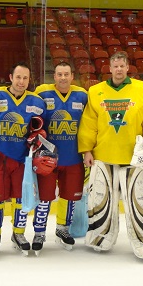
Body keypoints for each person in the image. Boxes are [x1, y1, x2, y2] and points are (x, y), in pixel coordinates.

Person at [78, 51, 143, 260]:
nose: (118, 69)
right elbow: (89, 124)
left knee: (141, 201)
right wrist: (87, 149)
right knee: (100, 200)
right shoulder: (96, 91)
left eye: (122, 66)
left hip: (134, 158)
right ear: (109, 68)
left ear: (127, 68)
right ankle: (100, 237)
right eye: (115, 66)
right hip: (103, 156)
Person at [0, 62, 46, 257]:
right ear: (11, 77)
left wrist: (38, 141)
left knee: (21, 199)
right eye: (18, 77)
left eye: (25, 78)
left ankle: (18, 234)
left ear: (29, 80)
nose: (21, 82)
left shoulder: (37, 103)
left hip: (22, 158)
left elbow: (41, 130)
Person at [32, 62, 88, 253]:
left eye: (66, 74)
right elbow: (32, 121)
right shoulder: (42, 93)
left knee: (69, 197)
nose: (63, 78)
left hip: (73, 158)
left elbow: (91, 124)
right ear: (54, 77)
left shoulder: (82, 96)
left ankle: (62, 228)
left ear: (72, 76)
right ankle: (39, 232)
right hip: (48, 159)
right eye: (59, 74)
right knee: (44, 197)